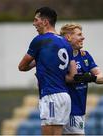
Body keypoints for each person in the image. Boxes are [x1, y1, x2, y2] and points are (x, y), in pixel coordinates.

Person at [18, 7, 77, 135]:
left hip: (51, 95)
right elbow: (73, 75)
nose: (34, 23)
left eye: (36, 20)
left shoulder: (40, 40)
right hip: (65, 96)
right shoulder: (66, 43)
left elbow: (21, 66)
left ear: (45, 22)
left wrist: (37, 61)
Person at [60, 23, 103, 135]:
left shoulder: (85, 55)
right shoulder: (61, 56)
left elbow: (102, 78)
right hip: (67, 108)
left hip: (79, 108)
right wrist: (72, 79)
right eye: (79, 35)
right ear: (68, 37)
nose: (83, 37)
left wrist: (91, 78)